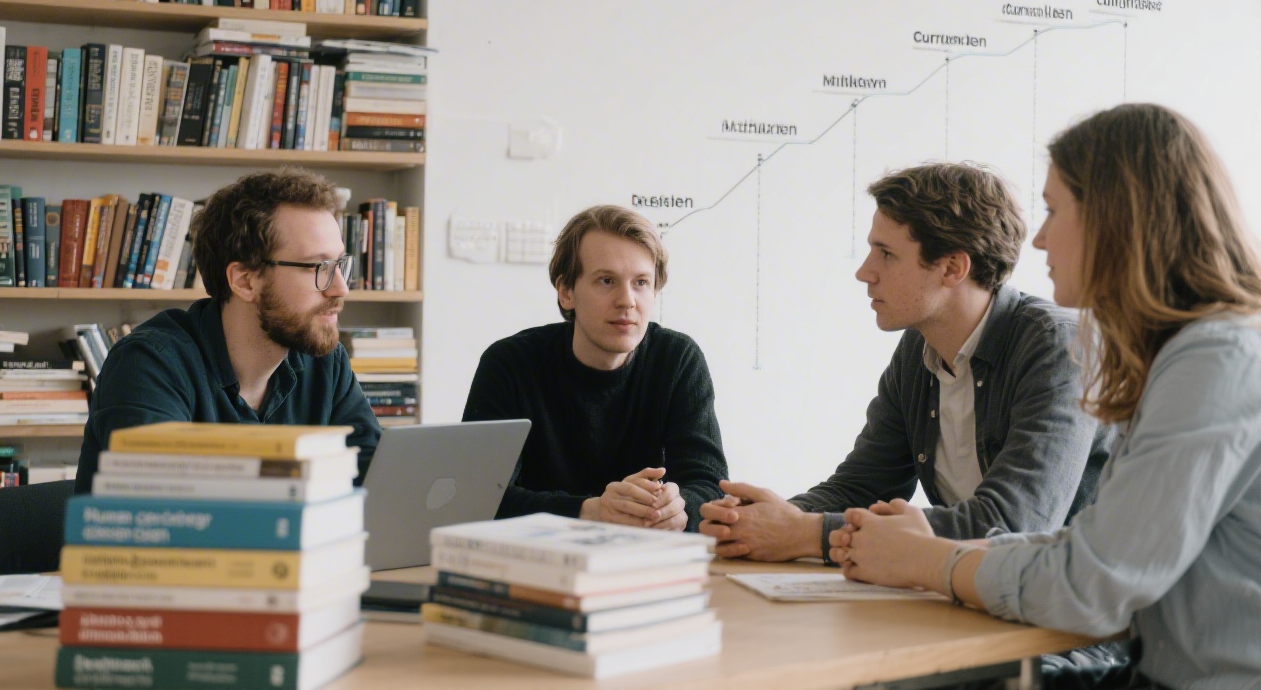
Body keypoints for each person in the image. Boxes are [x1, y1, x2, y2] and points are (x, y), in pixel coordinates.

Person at [833, 104, 1261, 687]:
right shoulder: (1181, 354)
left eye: (1055, 210)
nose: (1037, 238)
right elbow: (1090, 550)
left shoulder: (1217, 360)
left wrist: (924, 558)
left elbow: (1093, 582)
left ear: (1118, 219)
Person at [699, 162, 1112, 561]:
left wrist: (806, 534)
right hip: (980, 596)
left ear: (952, 267)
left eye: (886, 254)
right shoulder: (920, 348)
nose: (865, 272)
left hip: (1079, 621)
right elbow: (863, 485)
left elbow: (1013, 525)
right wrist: (756, 519)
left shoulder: (1058, 346)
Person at [76, 168, 380, 493]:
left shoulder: (325, 362)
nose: (340, 289)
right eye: (318, 267)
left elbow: (380, 482)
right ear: (245, 281)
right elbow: (170, 512)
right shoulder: (148, 364)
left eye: (340, 266)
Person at [462, 204, 728, 531]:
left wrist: (679, 506)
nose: (627, 300)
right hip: (533, 558)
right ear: (566, 292)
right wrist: (592, 511)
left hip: (643, 559)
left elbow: (711, 487)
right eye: (606, 280)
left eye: (641, 282)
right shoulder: (509, 364)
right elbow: (479, 500)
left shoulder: (677, 359)